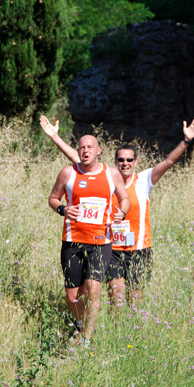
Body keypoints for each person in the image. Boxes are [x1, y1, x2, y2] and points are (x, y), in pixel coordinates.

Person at [41, 115, 194, 305]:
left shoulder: (143, 180)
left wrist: (186, 141)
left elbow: (168, 162)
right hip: (113, 248)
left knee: (135, 301)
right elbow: (80, 158)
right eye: (121, 160)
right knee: (116, 298)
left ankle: (126, 332)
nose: (125, 163)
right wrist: (55, 137)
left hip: (139, 248)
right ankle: (98, 325)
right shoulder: (107, 178)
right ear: (116, 162)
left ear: (135, 162)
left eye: (129, 160)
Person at [48, 133, 130, 347]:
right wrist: (63, 209)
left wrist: (122, 212)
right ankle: (80, 323)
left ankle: (85, 339)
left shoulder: (111, 173)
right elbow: (53, 198)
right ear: (79, 151)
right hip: (72, 240)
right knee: (73, 296)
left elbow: (125, 198)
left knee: (93, 289)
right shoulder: (68, 173)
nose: (85, 151)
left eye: (90, 147)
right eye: (82, 147)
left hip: (101, 242)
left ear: (98, 150)